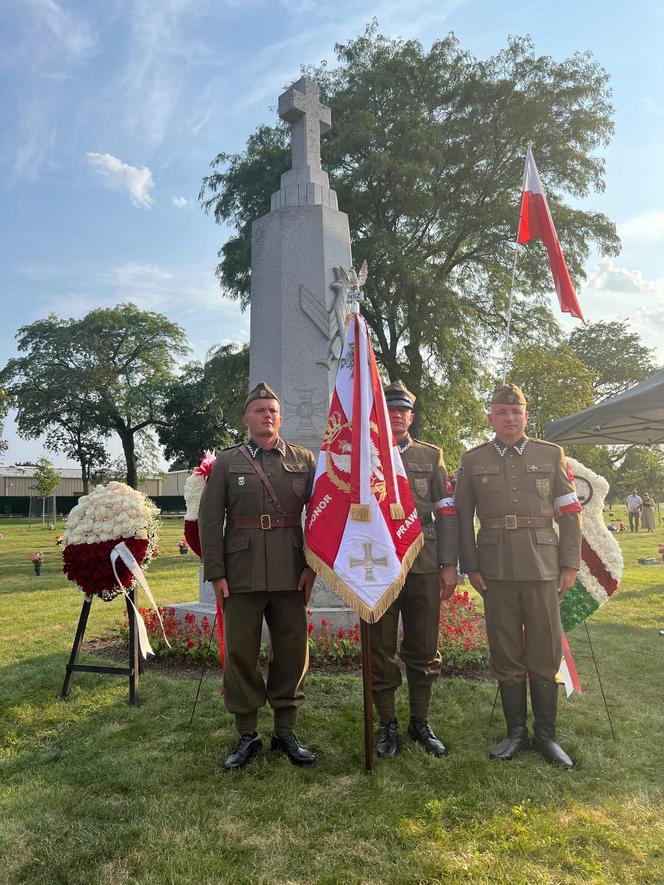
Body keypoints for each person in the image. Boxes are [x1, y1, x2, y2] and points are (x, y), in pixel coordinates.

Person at [454, 383, 582, 769]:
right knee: (506, 649)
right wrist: (471, 566)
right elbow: (462, 518)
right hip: (495, 569)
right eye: (502, 412)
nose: (510, 419)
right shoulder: (473, 460)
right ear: (490, 417)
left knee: (544, 649)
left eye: (517, 412)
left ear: (526, 415)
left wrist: (570, 564)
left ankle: (545, 736)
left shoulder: (551, 454)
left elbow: (569, 510)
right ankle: (515, 734)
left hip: (543, 565)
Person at [198, 382, 317, 771]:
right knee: (240, 654)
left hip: (290, 572)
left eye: (273, 410)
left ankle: (285, 731)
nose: (267, 415)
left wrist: (312, 569)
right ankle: (247, 733)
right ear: (246, 418)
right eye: (260, 410)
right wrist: (216, 572)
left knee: (292, 651)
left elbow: (319, 519)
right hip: (241, 574)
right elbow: (211, 520)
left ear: (280, 418)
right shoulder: (227, 463)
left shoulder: (304, 460)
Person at [369, 381, 459, 759]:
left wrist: (449, 563)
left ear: (411, 415)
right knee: (380, 647)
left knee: (423, 645)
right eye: (390, 410)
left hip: (422, 561)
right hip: (378, 563)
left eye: (403, 411)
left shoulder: (430, 455)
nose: (397, 416)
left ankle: (419, 721)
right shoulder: (364, 455)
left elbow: (447, 511)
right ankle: (387, 723)